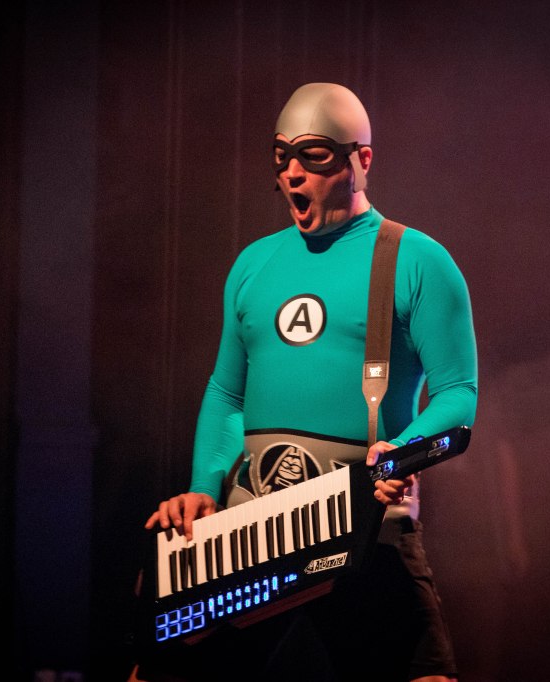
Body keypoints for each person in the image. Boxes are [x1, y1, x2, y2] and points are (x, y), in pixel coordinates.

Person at [139, 82, 478, 682]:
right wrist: (203, 488)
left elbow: (458, 393)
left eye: (313, 156)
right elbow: (227, 393)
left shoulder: (417, 260)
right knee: (161, 666)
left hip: (363, 522)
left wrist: (402, 452)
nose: (292, 173)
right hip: (254, 525)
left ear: (361, 160)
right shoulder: (254, 264)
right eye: (282, 157)